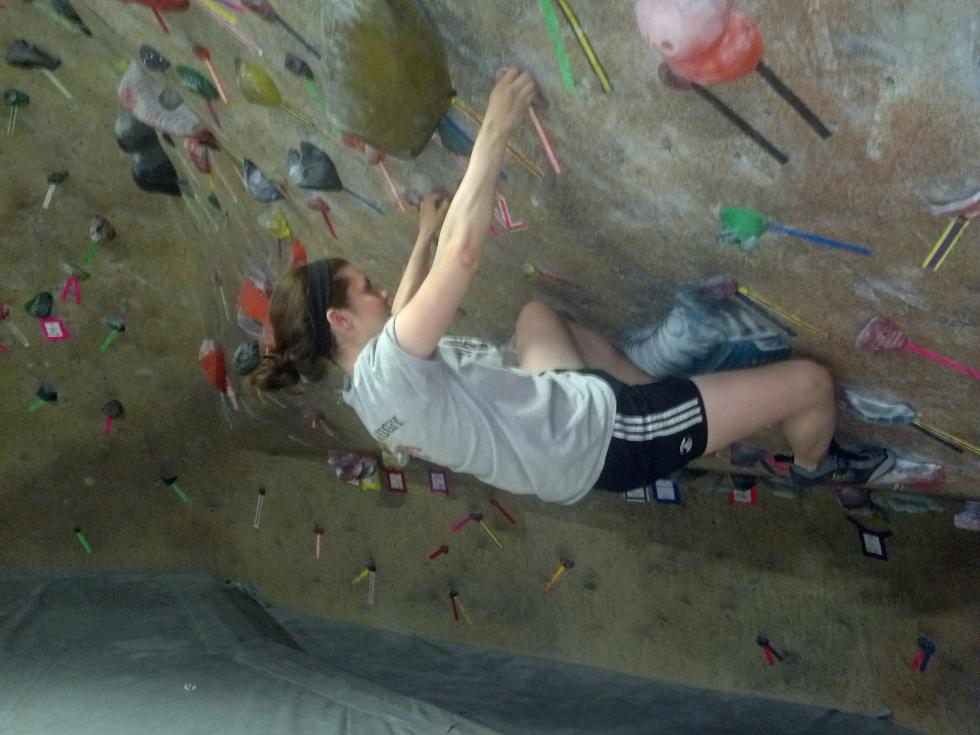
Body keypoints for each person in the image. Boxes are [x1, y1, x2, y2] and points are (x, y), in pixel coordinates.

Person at [254, 68, 895, 505]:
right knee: (810, 383)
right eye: (364, 287)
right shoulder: (390, 365)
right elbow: (465, 254)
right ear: (339, 321)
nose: (382, 293)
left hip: (554, 424)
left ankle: (667, 397)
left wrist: (423, 236)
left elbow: (410, 306)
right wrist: (497, 127)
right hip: (604, 439)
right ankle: (818, 469)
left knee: (536, 316)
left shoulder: (368, 392)